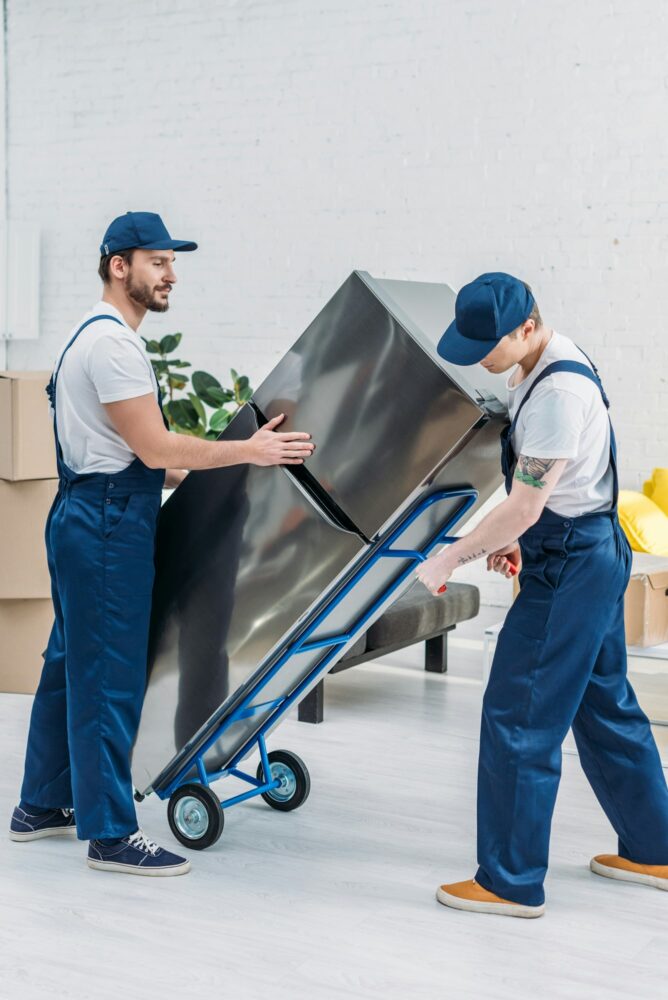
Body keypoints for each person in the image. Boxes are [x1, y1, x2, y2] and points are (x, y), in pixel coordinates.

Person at [9, 211, 315, 877]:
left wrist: (232, 462)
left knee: (70, 662)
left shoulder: (92, 338)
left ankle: (40, 804)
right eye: (157, 261)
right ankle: (111, 835)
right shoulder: (114, 346)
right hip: (109, 524)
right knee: (109, 676)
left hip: (90, 512)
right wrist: (251, 449)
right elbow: (154, 447)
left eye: (173, 262)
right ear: (119, 266)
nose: (171, 273)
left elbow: (148, 458)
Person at [416, 272, 668, 917]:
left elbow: (525, 506)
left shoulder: (556, 392)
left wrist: (448, 558)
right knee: (604, 704)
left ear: (526, 326)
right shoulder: (551, 359)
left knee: (519, 717)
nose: (480, 358)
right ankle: (654, 850)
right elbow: (551, 498)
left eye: (488, 345)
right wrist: (529, 533)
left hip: (571, 566)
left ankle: (510, 881)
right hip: (588, 547)